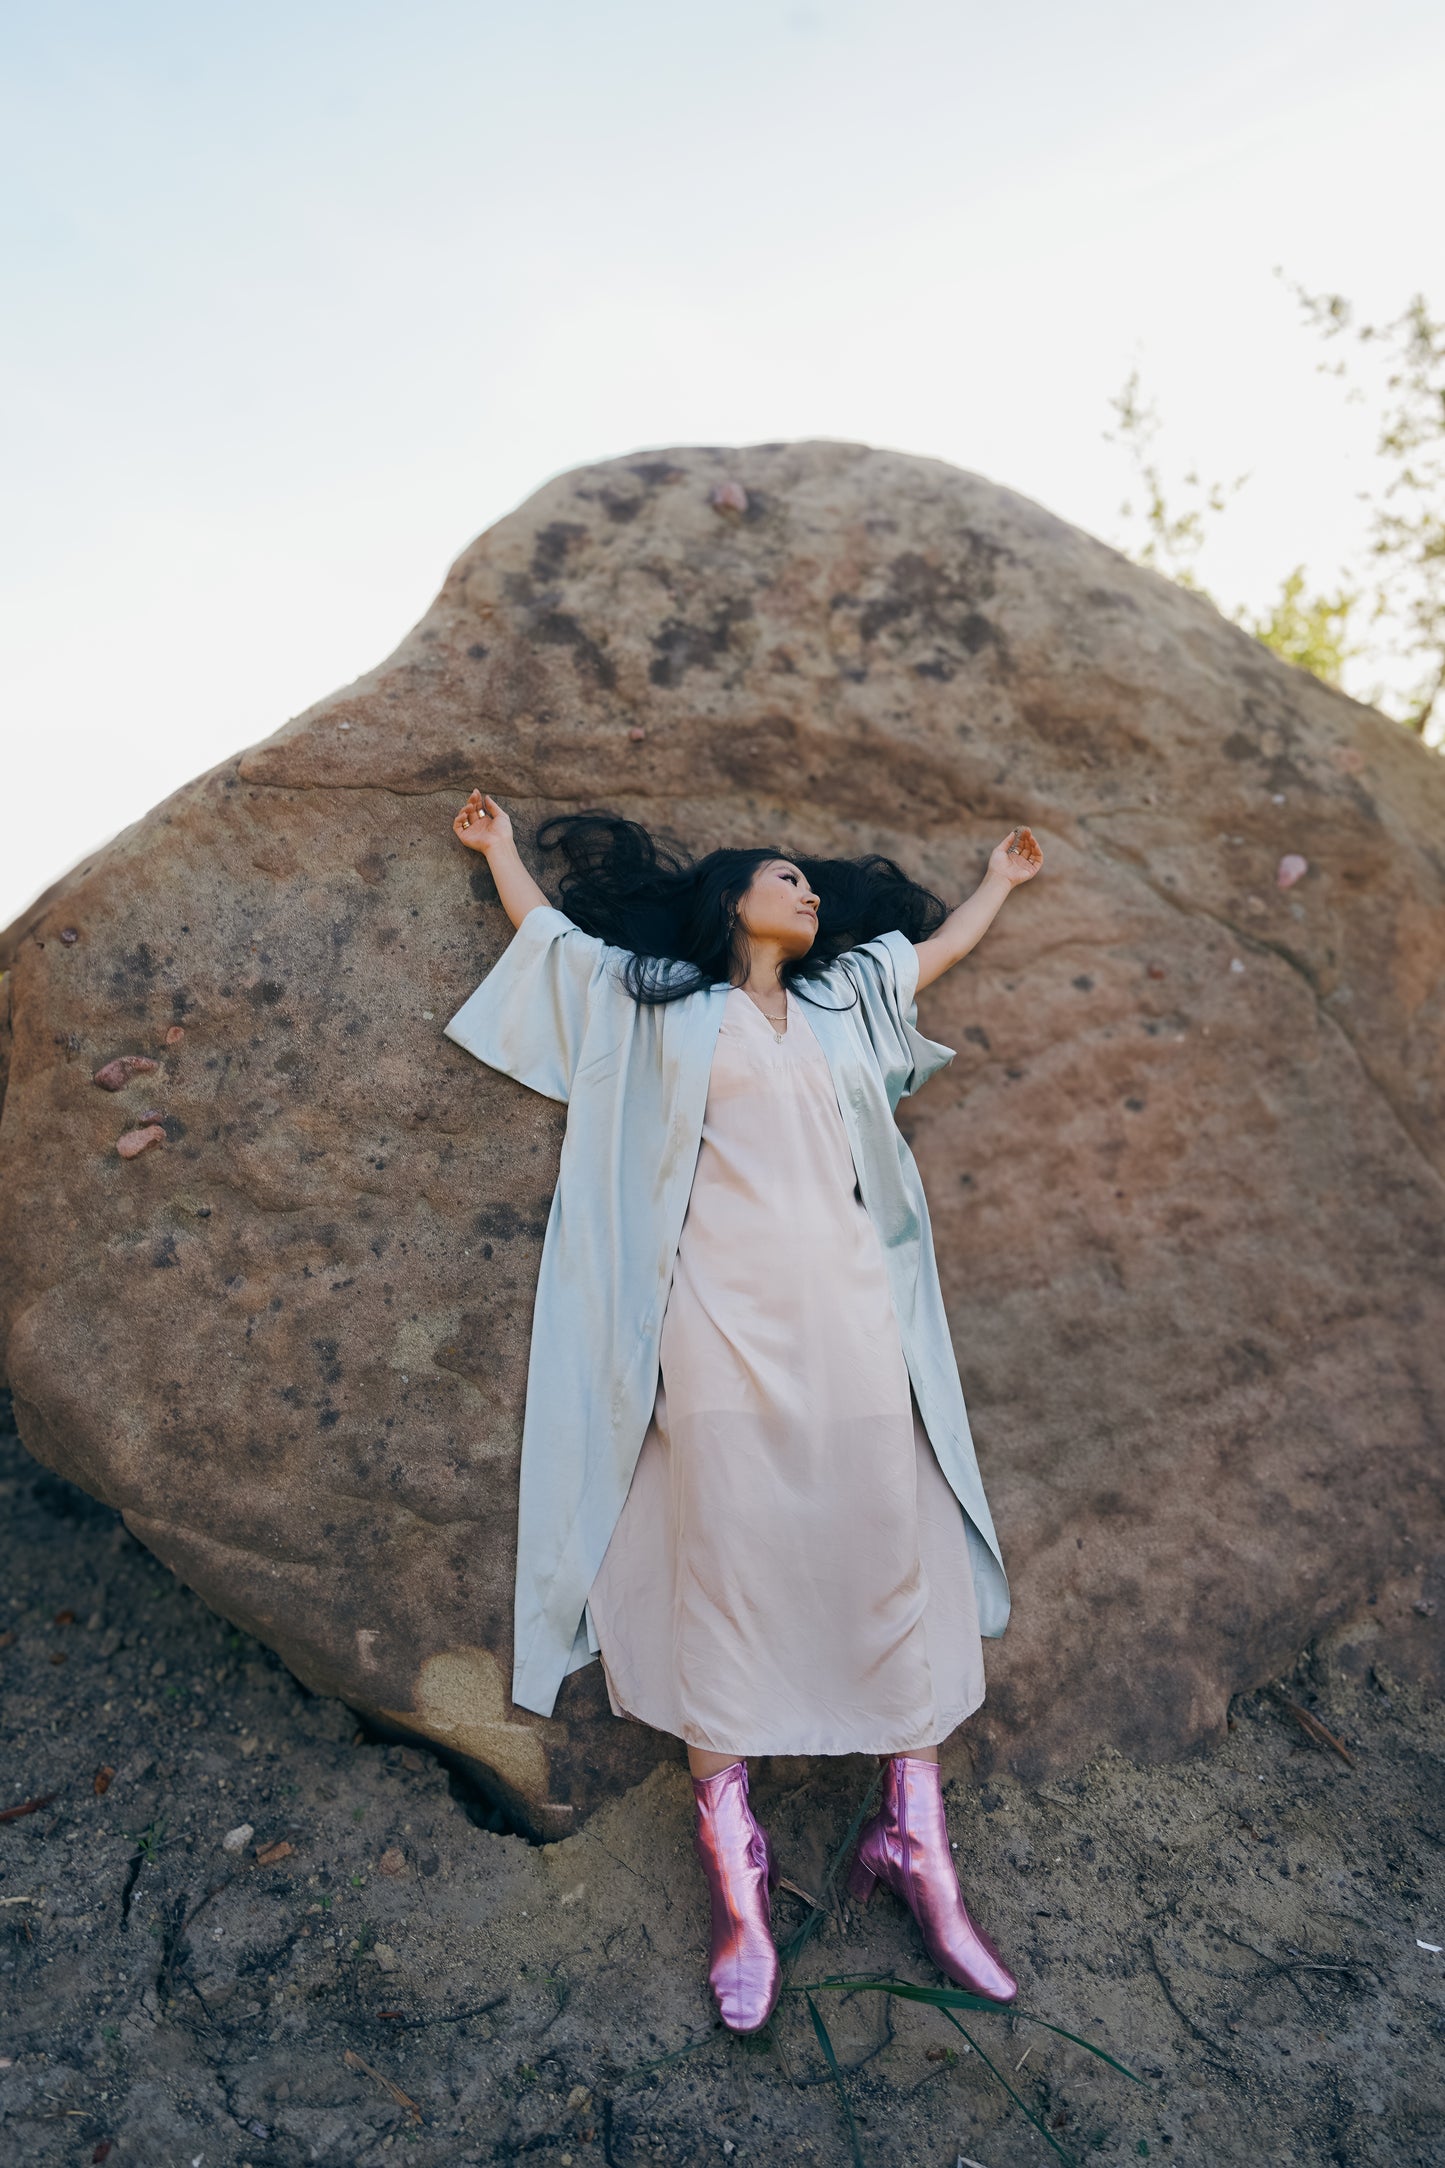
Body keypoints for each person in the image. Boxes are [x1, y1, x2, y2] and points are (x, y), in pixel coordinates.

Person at [445, 790, 1044, 2034]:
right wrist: (499, 851)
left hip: (851, 1314)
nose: (805, 890)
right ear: (732, 901)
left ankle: (913, 1844)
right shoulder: (661, 1006)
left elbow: (924, 958)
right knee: (720, 1548)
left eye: (810, 883)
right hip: (711, 1313)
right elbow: (557, 951)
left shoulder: (841, 1003)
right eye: (782, 877)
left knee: (884, 1537)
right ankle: (738, 1882)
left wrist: (998, 880)